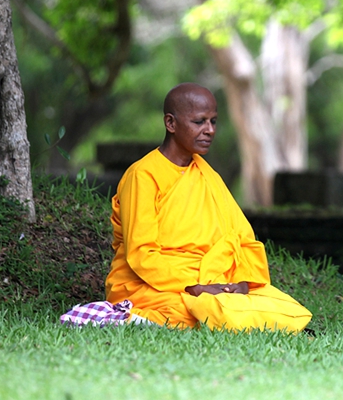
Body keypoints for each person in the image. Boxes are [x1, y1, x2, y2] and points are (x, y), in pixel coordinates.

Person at [101, 83, 312, 332]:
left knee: (280, 303)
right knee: (196, 311)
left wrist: (241, 282)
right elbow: (142, 255)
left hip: (214, 282)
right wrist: (195, 285)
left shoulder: (206, 174)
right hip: (153, 284)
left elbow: (242, 238)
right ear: (171, 123)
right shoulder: (143, 176)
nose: (209, 130)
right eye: (199, 122)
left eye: (213, 121)